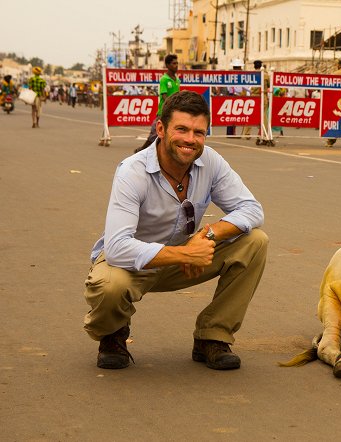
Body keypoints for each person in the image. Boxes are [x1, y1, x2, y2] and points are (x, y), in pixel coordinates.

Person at [83, 91, 268, 370]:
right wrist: (183, 255)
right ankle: (113, 333)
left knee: (255, 241)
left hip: (185, 259)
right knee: (110, 286)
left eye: (199, 132)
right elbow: (118, 248)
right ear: (160, 128)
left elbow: (253, 210)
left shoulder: (212, 162)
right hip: (132, 265)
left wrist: (207, 235)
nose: (190, 140)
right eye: (181, 129)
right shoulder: (133, 172)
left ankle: (212, 336)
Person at [135, 54, 180, 152]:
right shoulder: (164, 79)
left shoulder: (177, 80)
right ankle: (141, 150)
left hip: (174, 112)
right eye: (174, 63)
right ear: (167, 65)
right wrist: (170, 105)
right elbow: (164, 95)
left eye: (177, 63)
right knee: (154, 134)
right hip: (163, 111)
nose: (176, 65)